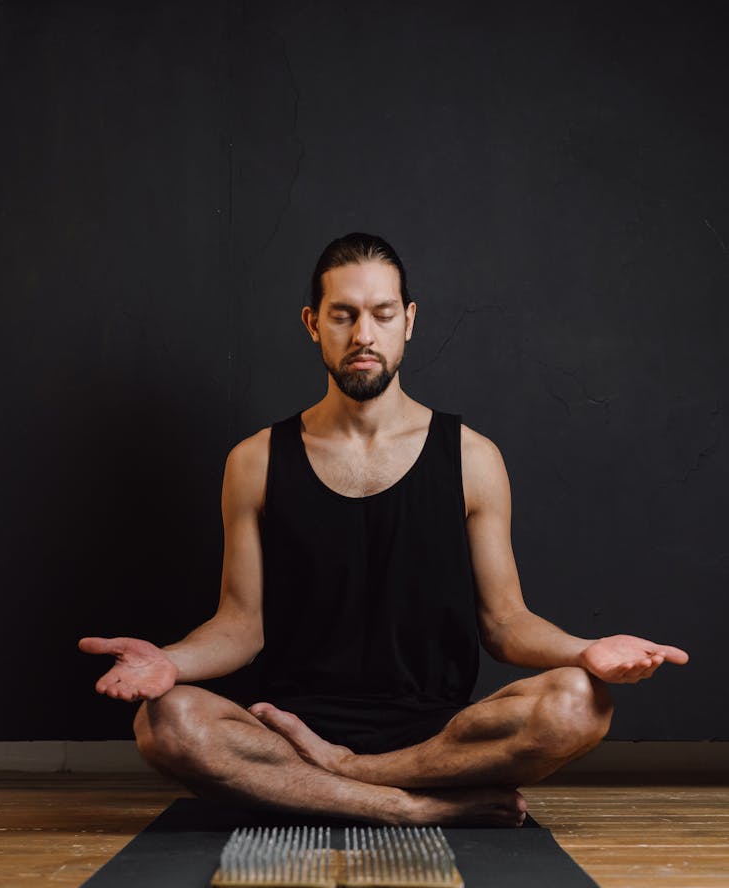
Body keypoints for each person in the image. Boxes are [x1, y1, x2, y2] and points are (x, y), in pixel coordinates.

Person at [80, 233, 689, 827]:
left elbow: (504, 623)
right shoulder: (254, 462)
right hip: (289, 732)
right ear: (313, 323)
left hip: (439, 736)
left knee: (580, 704)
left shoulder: (473, 459)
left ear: (410, 321)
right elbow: (240, 627)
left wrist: (584, 650)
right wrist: (170, 660)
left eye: (382, 314)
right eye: (343, 315)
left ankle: (348, 776)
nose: (364, 335)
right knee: (163, 722)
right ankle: (405, 805)